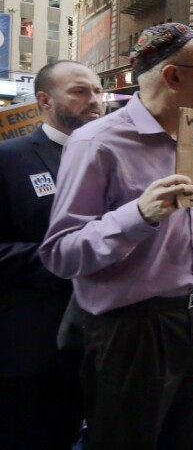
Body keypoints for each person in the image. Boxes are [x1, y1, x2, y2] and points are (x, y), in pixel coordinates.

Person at [40, 23, 193, 449]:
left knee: (189, 437)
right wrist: (138, 214)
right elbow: (60, 253)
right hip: (134, 330)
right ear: (173, 76)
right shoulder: (97, 142)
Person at [0, 60, 101, 449]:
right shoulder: (10, 159)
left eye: (97, 91)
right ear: (44, 100)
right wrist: (66, 259)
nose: (94, 101)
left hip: (108, 340)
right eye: (79, 91)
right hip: (36, 346)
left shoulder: (117, 157)